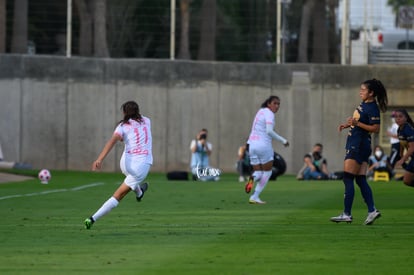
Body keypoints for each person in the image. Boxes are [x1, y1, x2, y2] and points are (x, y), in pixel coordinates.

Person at [84, 101, 152, 229]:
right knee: (118, 195)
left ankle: (139, 192)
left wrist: (99, 159)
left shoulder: (122, 126)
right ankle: (92, 218)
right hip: (141, 166)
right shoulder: (147, 121)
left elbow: (113, 141)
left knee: (130, 179)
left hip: (125, 164)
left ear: (125, 112)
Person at [330, 79, 388, 225]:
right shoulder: (365, 104)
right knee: (360, 179)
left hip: (358, 145)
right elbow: (359, 122)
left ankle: (347, 213)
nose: (360, 92)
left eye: (363, 90)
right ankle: (372, 210)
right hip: (361, 144)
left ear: (371, 93)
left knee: (348, 178)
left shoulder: (372, 108)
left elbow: (375, 129)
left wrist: (357, 124)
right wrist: (348, 125)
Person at [244, 95, 289, 204]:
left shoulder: (260, 111)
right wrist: (283, 140)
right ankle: (254, 196)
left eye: (278, 104)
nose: (277, 106)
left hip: (252, 145)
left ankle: (252, 179)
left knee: (258, 171)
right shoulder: (269, 113)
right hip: (263, 145)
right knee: (267, 172)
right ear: (268, 103)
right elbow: (269, 131)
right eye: (275, 103)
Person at [394, 109, 414, 187]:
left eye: (400, 116)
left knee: (407, 180)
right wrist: (400, 154)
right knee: (407, 181)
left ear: (406, 118)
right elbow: (402, 142)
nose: (398, 118)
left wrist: (403, 159)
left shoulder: (408, 129)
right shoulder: (399, 130)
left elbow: (412, 148)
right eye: (396, 117)